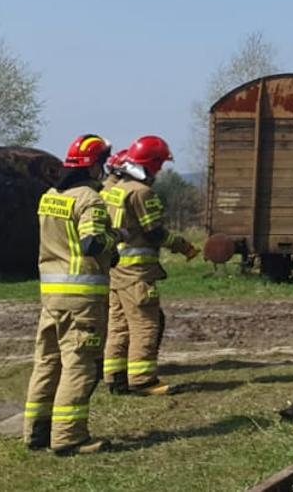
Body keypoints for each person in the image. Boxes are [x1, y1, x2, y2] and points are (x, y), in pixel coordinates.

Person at [24, 135, 116, 455]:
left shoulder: (49, 196)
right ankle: (68, 437)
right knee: (79, 365)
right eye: (101, 162)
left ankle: (36, 432)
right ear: (92, 165)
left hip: (51, 297)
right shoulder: (90, 200)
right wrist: (112, 243)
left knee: (47, 362)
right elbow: (92, 243)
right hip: (82, 299)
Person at [99, 136, 199, 395]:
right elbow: (154, 232)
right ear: (152, 163)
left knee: (118, 325)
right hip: (137, 272)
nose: (161, 170)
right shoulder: (142, 192)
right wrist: (182, 245)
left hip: (116, 269)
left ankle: (115, 377)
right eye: (160, 164)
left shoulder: (115, 188)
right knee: (146, 324)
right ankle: (143, 380)